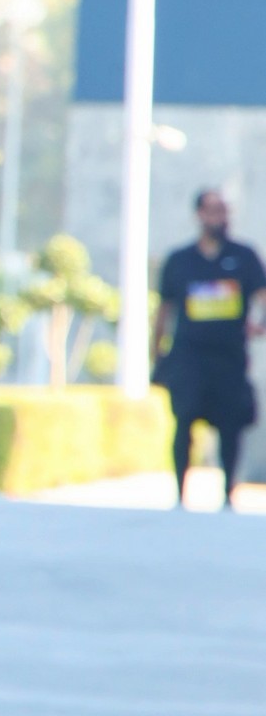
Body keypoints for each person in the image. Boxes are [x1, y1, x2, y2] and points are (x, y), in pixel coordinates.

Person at [152, 189, 266, 508]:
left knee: (231, 425)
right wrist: (157, 353)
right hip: (188, 357)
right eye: (213, 210)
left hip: (229, 358)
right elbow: (164, 310)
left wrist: (260, 326)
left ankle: (228, 492)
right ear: (199, 214)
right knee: (184, 420)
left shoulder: (244, 257)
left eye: (223, 210)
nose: (219, 216)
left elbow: (262, 296)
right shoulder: (180, 261)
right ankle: (180, 492)